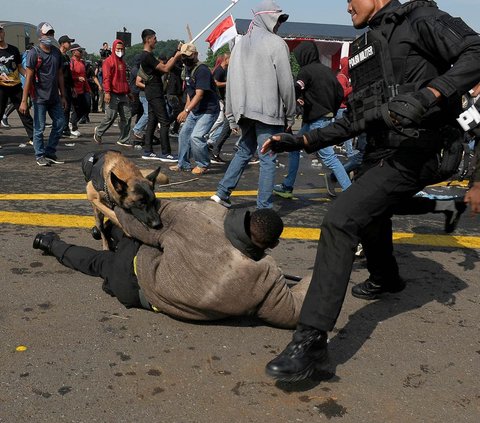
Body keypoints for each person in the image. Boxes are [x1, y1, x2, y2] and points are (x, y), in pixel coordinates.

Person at [261, 0, 480, 381]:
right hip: (382, 151)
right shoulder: (369, 46)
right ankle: (386, 277)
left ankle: (311, 340)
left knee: (341, 218)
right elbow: (358, 120)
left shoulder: (421, 19)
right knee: (368, 205)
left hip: (420, 150)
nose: (347, 6)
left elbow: (477, 51)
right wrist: (300, 140)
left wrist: (429, 95)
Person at [33, 200, 310, 328]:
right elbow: (294, 312)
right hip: (139, 295)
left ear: (245, 217)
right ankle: (49, 243)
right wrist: (315, 276)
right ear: (271, 245)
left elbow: (142, 221)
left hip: (137, 267)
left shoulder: (200, 216)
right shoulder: (266, 280)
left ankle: (71, 238)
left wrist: (115, 211)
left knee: (141, 239)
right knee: (101, 263)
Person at [210, 0, 295, 208]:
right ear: (267, 18)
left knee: (244, 151)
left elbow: (231, 85)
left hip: (244, 112)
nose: (279, 25)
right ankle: (264, 207)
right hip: (268, 112)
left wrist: (231, 115)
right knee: (268, 158)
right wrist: (291, 114)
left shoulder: (239, 46)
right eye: (277, 19)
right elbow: (286, 83)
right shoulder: (276, 43)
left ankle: (222, 194)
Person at [272, 41, 348, 199]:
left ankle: (351, 193)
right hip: (322, 118)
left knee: (329, 157)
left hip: (315, 121)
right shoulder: (328, 71)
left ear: (304, 56)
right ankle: (287, 186)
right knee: (294, 147)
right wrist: (330, 110)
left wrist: (293, 101)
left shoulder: (305, 71)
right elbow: (340, 93)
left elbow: (296, 87)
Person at [20, 22, 66, 166]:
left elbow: (60, 75)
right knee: (39, 128)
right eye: (47, 33)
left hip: (54, 97)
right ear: (40, 35)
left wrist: (63, 95)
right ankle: (40, 155)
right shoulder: (34, 53)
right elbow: (29, 77)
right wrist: (24, 100)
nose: (49, 36)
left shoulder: (56, 52)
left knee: (60, 124)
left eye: (51, 33)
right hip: (39, 97)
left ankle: (49, 152)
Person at [170, 43, 220, 174]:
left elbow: (199, 94)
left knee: (196, 137)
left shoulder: (202, 70)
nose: (185, 58)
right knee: (183, 134)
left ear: (195, 55)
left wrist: (186, 111)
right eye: (183, 56)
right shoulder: (187, 69)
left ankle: (203, 164)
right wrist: (187, 109)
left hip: (208, 110)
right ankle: (183, 163)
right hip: (196, 109)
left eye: (187, 56)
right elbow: (190, 93)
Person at [139, 29, 182, 161]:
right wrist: (177, 56)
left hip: (152, 92)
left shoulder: (148, 56)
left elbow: (163, 65)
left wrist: (175, 53)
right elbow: (165, 68)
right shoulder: (147, 56)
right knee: (164, 122)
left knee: (152, 120)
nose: (156, 41)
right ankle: (166, 153)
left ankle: (148, 150)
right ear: (148, 39)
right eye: (154, 38)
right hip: (155, 92)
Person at [0, 24, 34, 148]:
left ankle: (33, 138)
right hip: (1, 87)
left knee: (24, 111)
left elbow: (20, 67)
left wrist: (28, 77)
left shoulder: (13, 50)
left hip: (15, 86)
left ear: (3, 33)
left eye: (0, 32)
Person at [93, 40, 132, 146]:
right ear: (114, 49)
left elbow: (124, 79)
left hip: (123, 93)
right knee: (111, 116)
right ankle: (99, 132)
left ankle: (124, 139)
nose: (120, 51)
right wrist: (107, 92)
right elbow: (106, 78)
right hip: (113, 93)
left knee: (127, 117)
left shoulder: (123, 63)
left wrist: (128, 92)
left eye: (121, 49)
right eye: (118, 49)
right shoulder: (108, 62)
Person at [57, 34, 77, 139]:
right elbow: (56, 73)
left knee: (67, 108)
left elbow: (68, 73)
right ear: (62, 43)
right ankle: (60, 129)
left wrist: (73, 87)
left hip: (68, 86)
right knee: (62, 108)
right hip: (61, 86)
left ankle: (65, 129)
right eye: (68, 42)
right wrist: (58, 89)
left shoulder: (66, 56)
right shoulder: (57, 55)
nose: (70, 44)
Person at [69, 44, 90, 136]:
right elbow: (69, 76)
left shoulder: (82, 63)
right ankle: (73, 126)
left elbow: (84, 76)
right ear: (74, 52)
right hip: (74, 90)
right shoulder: (71, 63)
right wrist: (77, 79)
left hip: (83, 90)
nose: (81, 52)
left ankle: (71, 122)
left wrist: (88, 89)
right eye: (79, 51)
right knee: (76, 109)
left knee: (86, 107)